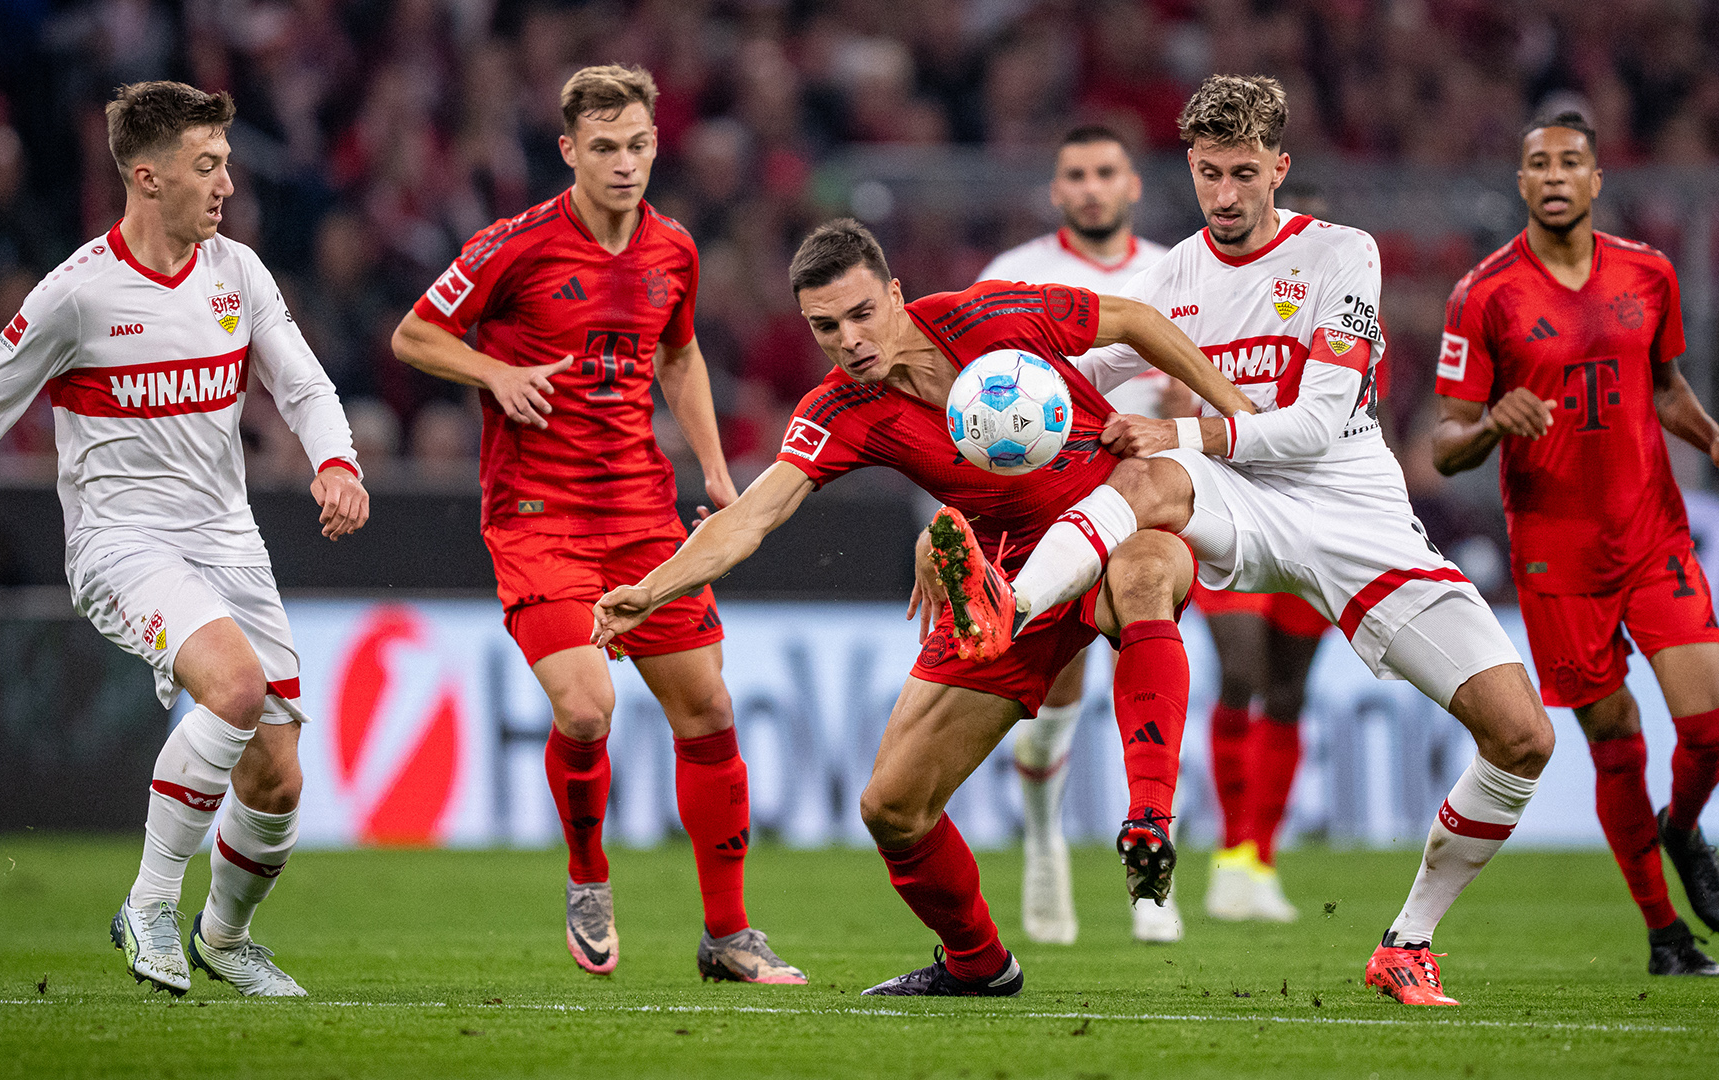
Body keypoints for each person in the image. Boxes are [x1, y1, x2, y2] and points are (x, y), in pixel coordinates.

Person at [949, 75, 1556, 1007]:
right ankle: (1010, 605)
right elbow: (1083, 366)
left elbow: (1315, 425)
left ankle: (1406, 940)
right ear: (1188, 170)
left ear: (1280, 167)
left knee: (1521, 738)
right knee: (1144, 485)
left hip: (1352, 508)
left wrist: (1177, 429)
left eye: (1242, 174)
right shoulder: (1173, 277)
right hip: (1237, 495)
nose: (1225, 196)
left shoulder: (1340, 255)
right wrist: (974, 375)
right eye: (1206, 175)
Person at [595, 218, 1256, 996]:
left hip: (1121, 518)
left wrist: (1236, 423)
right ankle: (978, 964)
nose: (849, 339)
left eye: (862, 313)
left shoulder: (990, 316)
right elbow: (752, 516)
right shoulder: (840, 409)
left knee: (1147, 570)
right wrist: (654, 587)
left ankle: (1148, 817)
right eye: (826, 326)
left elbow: (1139, 321)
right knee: (891, 809)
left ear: (896, 294)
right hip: (1003, 583)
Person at [0, 81, 369, 997]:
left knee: (279, 778)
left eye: (227, 166)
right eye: (207, 168)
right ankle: (150, 907)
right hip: (120, 543)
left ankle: (223, 936)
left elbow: (304, 384)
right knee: (237, 687)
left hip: (228, 540)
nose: (226, 186)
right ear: (147, 176)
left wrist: (337, 461)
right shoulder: (79, 295)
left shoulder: (237, 274)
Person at [388, 65, 802, 985]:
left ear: (658, 144)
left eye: (639, 146)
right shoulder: (513, 245)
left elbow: (682, 355)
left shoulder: (675, 251)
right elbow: (413, 334)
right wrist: (493, 375)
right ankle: (587, 874)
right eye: (605, 148)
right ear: (570, 150)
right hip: (536, 518)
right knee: (585, 706)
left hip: (643, 513)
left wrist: (718, 470)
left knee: (710, 708)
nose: (624, 164)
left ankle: (729, 935)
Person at [1433, 111, 1719, 976]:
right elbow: (1443, 441)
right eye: (1539, 163)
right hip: (1555, 558)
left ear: (1597, 178)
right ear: (1524, 182)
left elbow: (1667, 385)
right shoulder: (1485, 293)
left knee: (1711, 731)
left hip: (1653, 538)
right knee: (1616, 740)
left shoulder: (1648, 271)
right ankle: (1663, 935)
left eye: (1572, 161)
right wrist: (1493, 421)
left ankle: (1681, 829)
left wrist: (1713, 440)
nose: (1556, 175)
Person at [969, 124, 1179, 945]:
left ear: (1132, 185)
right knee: (1057, 692)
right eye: (1076, 175)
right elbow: (969, 409)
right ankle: (1044, 839)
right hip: (1040, 504)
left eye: (1106, 172)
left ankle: (1155, 862)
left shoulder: (1173, 273)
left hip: (1151, 498)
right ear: (1057, 192)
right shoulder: (1011, 277)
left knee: (1149, 630)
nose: (1092, 187)